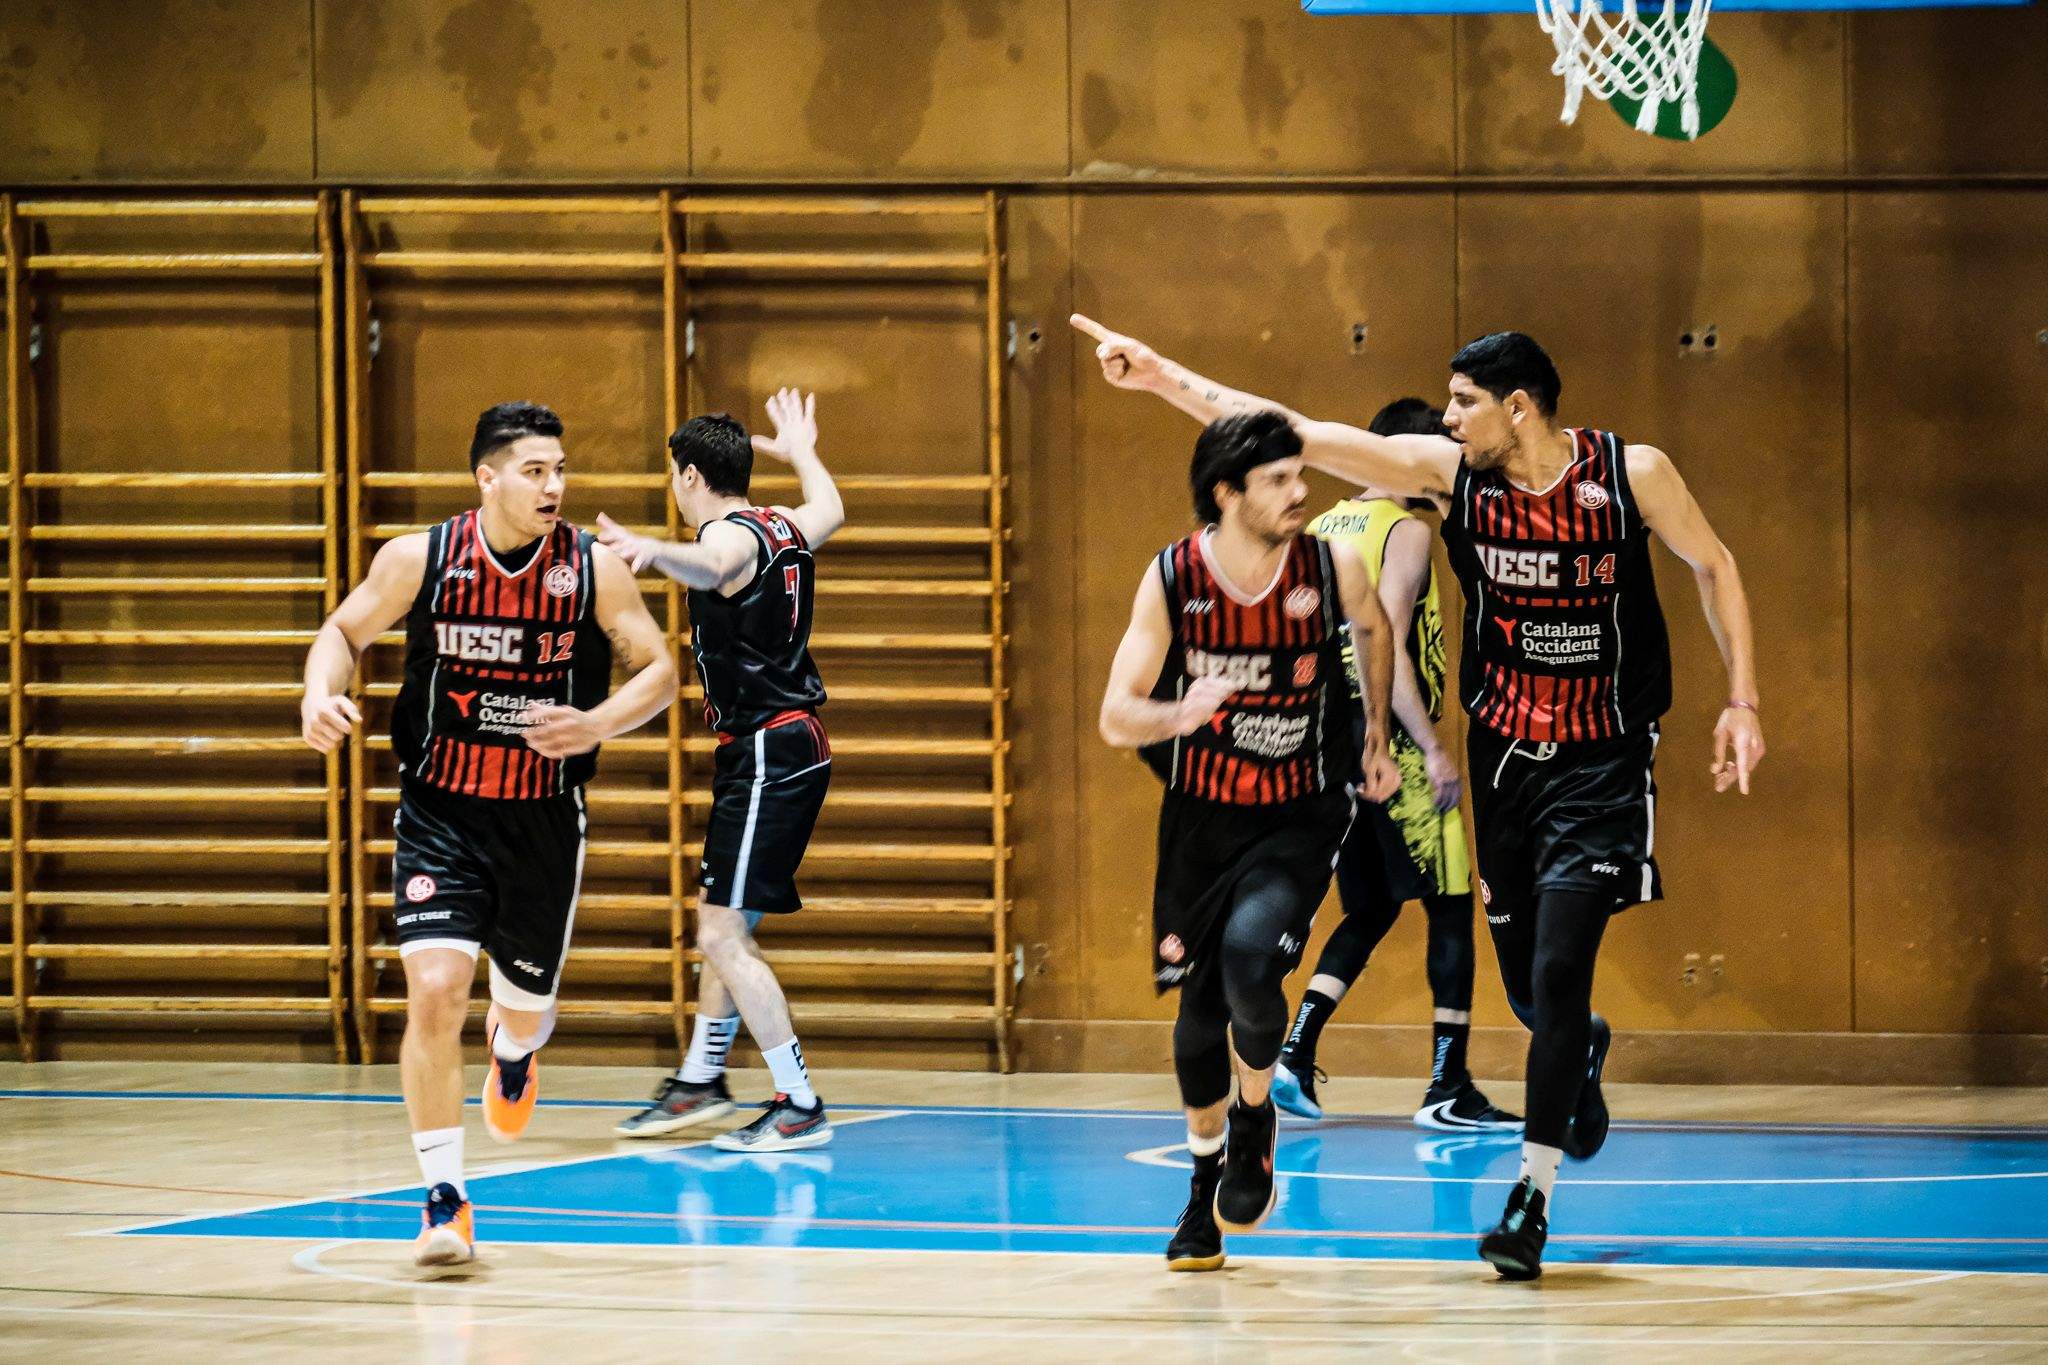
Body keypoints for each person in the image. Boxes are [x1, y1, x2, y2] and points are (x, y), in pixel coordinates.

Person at [1072, 314, 1765, 1281]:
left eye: (1462, 402)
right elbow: (1299, 433)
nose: (1446, 417)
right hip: (1506, 757)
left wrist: (1741, 698)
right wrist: (1160, 378)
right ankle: (1581, 1048)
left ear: (1515, 407)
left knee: (1560, 968)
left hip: (1604, 757)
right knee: (1529, 987)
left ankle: (1530, 1200)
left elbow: (1715, 565)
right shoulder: (1454, 476)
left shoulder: (1631, 473)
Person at [300, 401, 677, 1267]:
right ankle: (445, 1200)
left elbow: (657, 668)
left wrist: (598, 723)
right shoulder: (420, 558)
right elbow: (342, 631)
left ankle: (514, 1051)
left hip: (542, 818)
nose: (554, 486)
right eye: (535, 471)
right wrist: (319, 693)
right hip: (441, 811)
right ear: (489, 477)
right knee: (435, 989)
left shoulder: (590, 569)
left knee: (522, 1012)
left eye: (560, 471)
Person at [1098, 409, 1401, 1273]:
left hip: (1300, 814)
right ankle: (1200, 1194)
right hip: (1202, 819)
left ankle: (1255, 1111)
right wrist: (1176, 711)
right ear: (1227, 492)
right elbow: (1115, 715)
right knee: (1196, 1027)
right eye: (1277, 481)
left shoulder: (1327, 563)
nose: (1300, 492)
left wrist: (1375, 735)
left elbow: (1374, 631)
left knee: (1247, 957)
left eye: (1299, 475)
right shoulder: (1171, 577)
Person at [602, 389, 845, 1153]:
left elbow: (712, 564)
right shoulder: (785, 524)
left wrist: (653, 550)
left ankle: (797, 1099)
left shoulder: (734, 537)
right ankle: (704, 1077)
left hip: (771, 749)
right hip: (778, 746)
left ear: (689, 476)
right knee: (727, 925)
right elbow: (829, 507)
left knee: (720, 933)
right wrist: (802, 449)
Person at [1272, 397, 1519, 1134]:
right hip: (1389, 736)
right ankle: (1449, 1084)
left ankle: (1295, 1049)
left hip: (1326, 742)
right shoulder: (1405, 531)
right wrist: (1430, 746)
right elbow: (1386, 643)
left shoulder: (1318, 527)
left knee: (1373, 905)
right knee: (1450, 902)